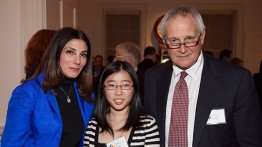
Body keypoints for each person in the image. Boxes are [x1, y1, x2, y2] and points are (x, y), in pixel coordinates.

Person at [143, 5, 262, 147]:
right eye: (174, 41)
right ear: (165, 41)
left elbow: (249, 143)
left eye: (189, 39)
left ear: (202, 36)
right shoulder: (153, 77)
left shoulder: (236, 80)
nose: (182, 49)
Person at [2, 27, 94, 146]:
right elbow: (11, 143)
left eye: (83, 55)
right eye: (70, 52)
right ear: (55, 53)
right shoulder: (28, 93)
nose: (78, 61)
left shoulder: (85, 93)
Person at [84, 61, 160, 146]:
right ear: (103, 89)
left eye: (125, 85)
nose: (119, 92)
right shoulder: (93, 125)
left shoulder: (147, 125)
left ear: (134, 89)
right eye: (112, 85)